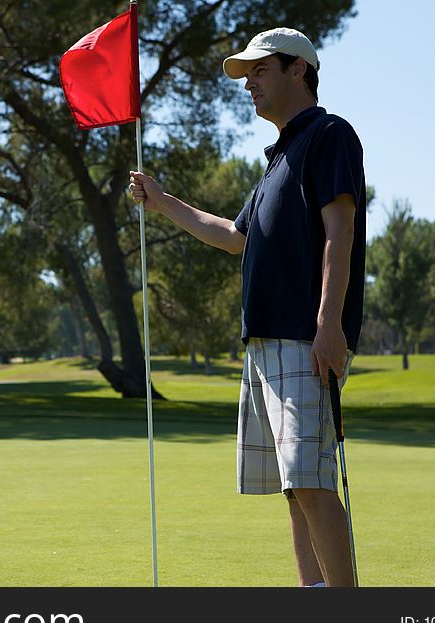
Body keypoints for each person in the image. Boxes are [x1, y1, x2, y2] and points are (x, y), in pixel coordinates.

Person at [129, 27, 366, 587]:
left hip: (302, 339)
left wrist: (328, 325)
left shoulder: (328, 135)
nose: (249, 84)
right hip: (263, 344)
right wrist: (162, 203)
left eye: (260, 71)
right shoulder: (278, 159)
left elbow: (341, 231)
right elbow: (235, 236)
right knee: (293, 484)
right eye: (247, 75)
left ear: (297, 71)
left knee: (310, 480)